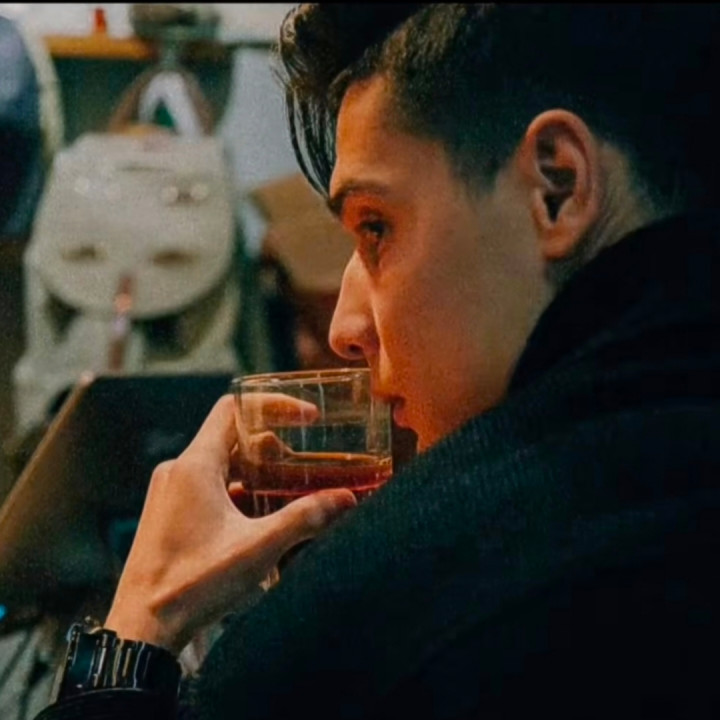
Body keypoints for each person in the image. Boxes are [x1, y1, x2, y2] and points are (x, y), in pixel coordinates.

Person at [35, 4, 720, 718]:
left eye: (376, 228)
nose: (345, 327)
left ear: (558, 186)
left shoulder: (395, 610)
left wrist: (143, 620)